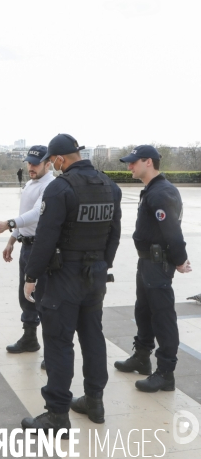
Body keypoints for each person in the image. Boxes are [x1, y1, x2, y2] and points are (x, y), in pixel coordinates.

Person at [20, 133, 122, 433]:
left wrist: (31, 276)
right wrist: (104, 264)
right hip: (96, 274)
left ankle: (57, 414)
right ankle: (94, 401)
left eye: (53, 161)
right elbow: (114, 233)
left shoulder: (60, 188)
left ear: (61, 159)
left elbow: (46, 238)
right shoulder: (109, 186)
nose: (54, 165)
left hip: (64, 275)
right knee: (93, 336)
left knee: (58, 342)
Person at [114, 145, 192, 392]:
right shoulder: (153, 190)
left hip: (158, 263)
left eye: (133, 162)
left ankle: (165, 373)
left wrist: (179, 259)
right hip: (148, 261)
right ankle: (142, 357)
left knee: (162, 316)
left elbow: (172, 231)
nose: (129, 167)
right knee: (143, 310)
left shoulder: (161, 193)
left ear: (148, 162)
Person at [0, 146, 54, 356]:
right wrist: (13, 238)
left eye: (35, 163)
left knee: (43, 297)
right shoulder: (30, 184)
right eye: (29, 163)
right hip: (27, 245)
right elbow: (24, 214)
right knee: (25, 296)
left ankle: (52, 350)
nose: (31, 167)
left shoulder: (51, 185)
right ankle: (29, 338)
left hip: (40, 247)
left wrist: (8, 223)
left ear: (48, 163)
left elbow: (36, 214)